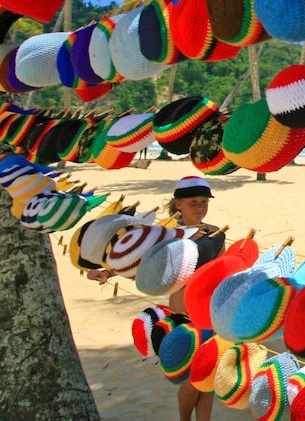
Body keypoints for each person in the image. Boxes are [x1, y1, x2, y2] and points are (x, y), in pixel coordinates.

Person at [88, 176, 223, 421]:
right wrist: (106, 272)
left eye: (204, 202)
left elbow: (222, 271)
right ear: (178, 204)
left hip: (209, 317)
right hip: (182, 318)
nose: (200, 207)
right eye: (193, 202)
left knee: (208, 378)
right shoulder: (165, 235)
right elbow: (136, 261)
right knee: (192, 379)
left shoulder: (215, 234)